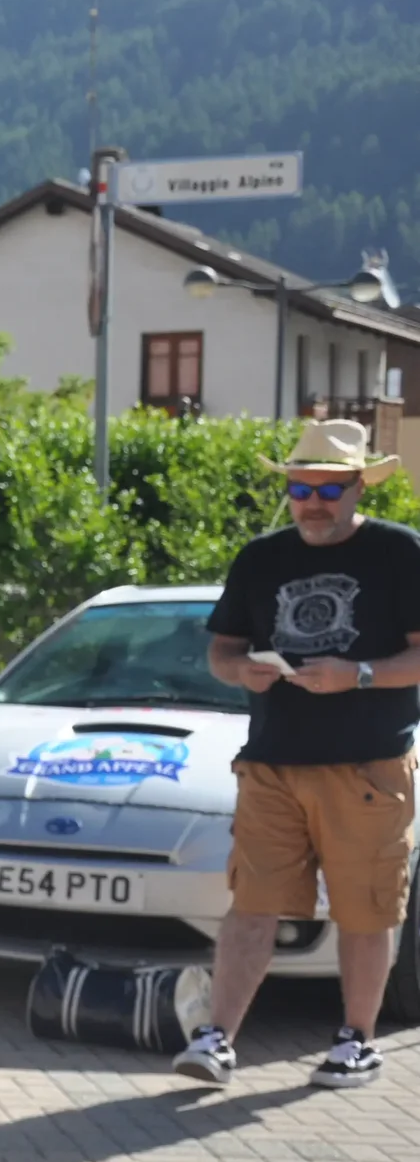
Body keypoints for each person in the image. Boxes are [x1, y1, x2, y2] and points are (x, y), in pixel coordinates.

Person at [178, 418, 420, 1089]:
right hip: (273, 762)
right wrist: (241, 672)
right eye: (300, 486)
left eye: (329, 487)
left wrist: (360, 675)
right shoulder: (262, 557)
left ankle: (357, 1042)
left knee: (364, 909)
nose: (313, 500)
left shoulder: (401, 553)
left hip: (368, 764)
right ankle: (217, 1040)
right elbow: (222, 650)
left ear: (356, 488)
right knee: (251, 903)